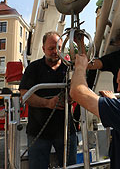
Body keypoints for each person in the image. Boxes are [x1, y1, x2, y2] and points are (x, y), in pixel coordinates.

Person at [19, 31, 77, 169]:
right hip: (39, 132)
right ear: (43, 48)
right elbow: (24, 94)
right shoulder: (34, 68)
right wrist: (48, 103)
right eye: (51, 48)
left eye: (58, 48)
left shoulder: (69, 68)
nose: (55, 52)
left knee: (72, 167)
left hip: (66, 131)